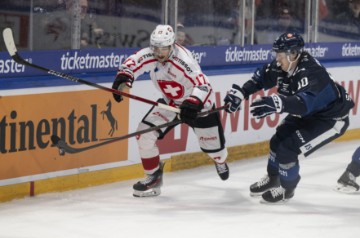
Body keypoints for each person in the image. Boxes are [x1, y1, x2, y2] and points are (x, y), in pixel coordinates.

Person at [223, 32, 355, 203]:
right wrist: (241, 93)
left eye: (280, 55)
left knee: (287, 149)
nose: (277, 59)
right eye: (276, 54)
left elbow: (304, 104)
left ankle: (287, 189)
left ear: (293, 54)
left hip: (329, 119)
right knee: (277, 140)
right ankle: (273, 178)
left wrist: (278, 103)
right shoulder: (284, 65)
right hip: (309, 113)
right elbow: (260, 79)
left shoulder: (311, 72)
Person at [112, 25, 229, 197]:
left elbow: (204, 85)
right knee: (144, 133)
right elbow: (133, 62)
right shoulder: (152, 54)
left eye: (164, 49)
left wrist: (193, 102)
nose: (159, 53)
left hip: (199, 107)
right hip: (171, 104)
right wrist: (124, 77)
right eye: (156, 48)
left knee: (215, 151)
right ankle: (153, 177)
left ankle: (220, 161)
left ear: (172, 46)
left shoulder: (184, 61)